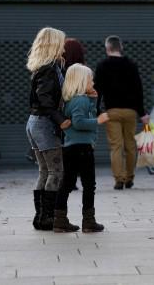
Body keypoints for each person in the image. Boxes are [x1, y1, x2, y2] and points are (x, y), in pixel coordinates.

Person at [54, 63, 109, 232]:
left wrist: (93, 99)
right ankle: (88, 221)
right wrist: (99, 121)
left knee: (68, 183)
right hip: (82, 148)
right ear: (81, 81)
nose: (93, 83)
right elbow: (79, 122)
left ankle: (60, 220)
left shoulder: (75, 99)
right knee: (88, 184)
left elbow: (84, 113)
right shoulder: (80, 100)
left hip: (72, 147)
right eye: (90, 80)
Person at [26, 27, 70, 231]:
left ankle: (41, 218)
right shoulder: (49, 68)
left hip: (35, 123)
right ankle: (47, 218)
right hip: (43, 123)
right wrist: (60, 119)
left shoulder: (44, 66)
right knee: (56, 171)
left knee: (44, 171)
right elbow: (45, 99)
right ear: (54, 43)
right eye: (61, 42)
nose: (64, 45)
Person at [94, 35, 149, 190]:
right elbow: (139, 91)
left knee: (116, 146)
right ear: (121, 47)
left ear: (107, 48)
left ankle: (119, 179)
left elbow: (97, 90)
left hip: (112, 111)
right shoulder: (131, 65)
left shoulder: (102, 66)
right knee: (131, 145)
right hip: (131, 111)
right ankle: (129, 177)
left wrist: (98, 111)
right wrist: (142, 113)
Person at [63, 38, 86, 191]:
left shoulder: (60, 70)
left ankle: (67, 179)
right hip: (80, 112)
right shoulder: (84, 71)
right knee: (80, 146)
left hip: (63, 113)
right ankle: (79, 179)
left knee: (64, 146)